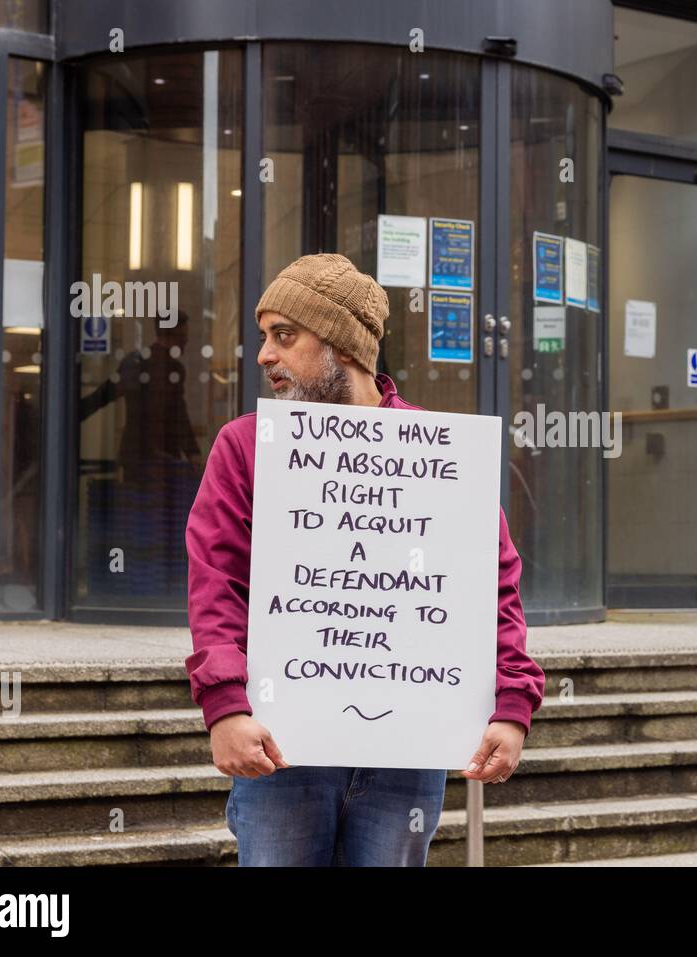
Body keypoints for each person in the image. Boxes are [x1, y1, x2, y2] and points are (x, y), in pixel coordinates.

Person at [184, 253, 545, 866]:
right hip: (282, 746)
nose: (264, 355)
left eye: (285, 336)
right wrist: (225, 706)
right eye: (263, 337)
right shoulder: (246, 446)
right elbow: (216, 582)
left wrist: (513, 705)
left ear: (343, 346)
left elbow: (491, 586)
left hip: (407, 750)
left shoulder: (436, 450)